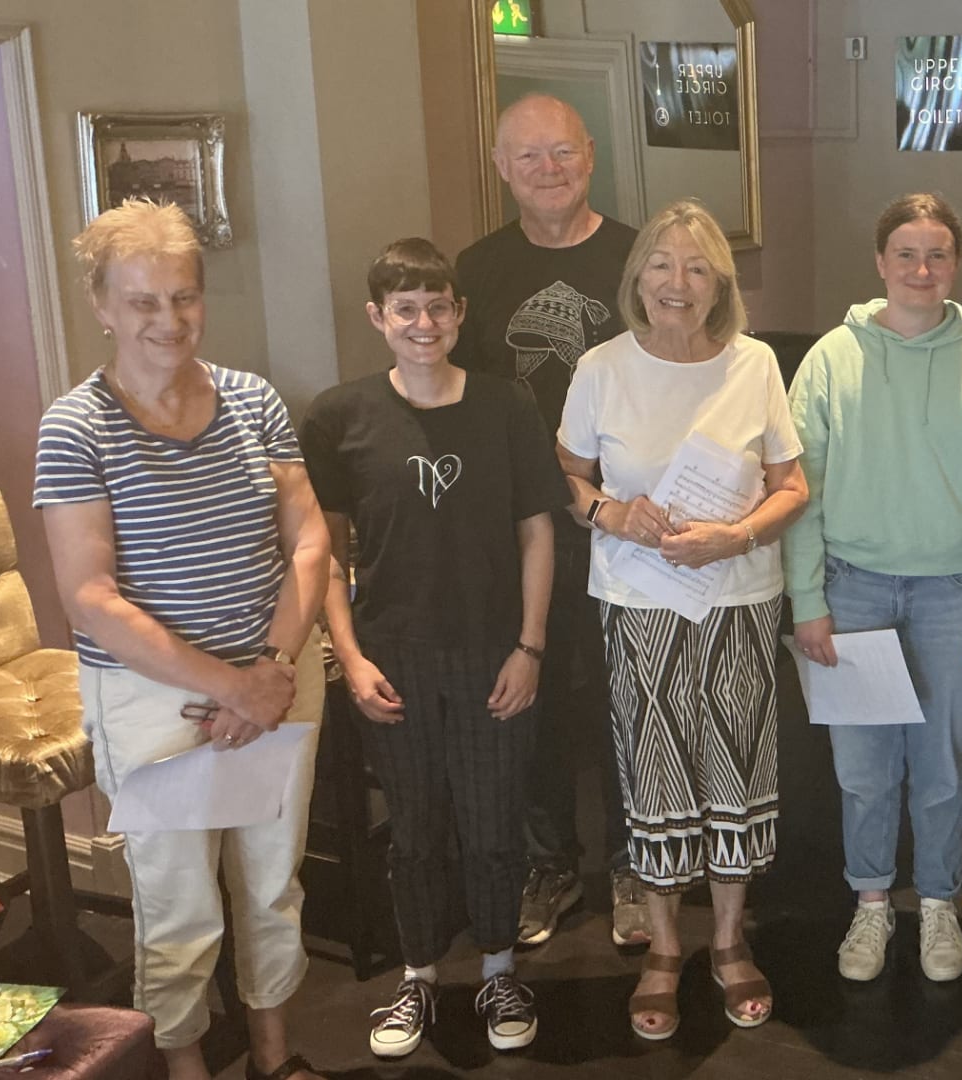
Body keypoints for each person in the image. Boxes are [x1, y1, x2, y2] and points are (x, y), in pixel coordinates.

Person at [35, 200, 330, 1080]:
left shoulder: (254, 400)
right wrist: (229, 686)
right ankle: (186, 1066)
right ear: (101, 303)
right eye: (143, 302)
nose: (169, 321)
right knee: (178, 905)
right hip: (158, 698)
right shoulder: (76, 427)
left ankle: (274, 1058)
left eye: (184, 297)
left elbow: (309, 540)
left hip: (275, 678)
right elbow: (90, 597)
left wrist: (270, 669)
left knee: (273, 887)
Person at [301, 239, 563, 1059]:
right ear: (379, 318)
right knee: (414, 829)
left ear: (459, 314)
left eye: (438, 307)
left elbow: (536, 533)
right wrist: (349, 656)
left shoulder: (505, 405)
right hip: (392, 658)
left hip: (492, 651)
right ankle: (417, 978)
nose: (424, 323)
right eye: (405, 309)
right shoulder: (338, 417)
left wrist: (530, 647)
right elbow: (326, 554)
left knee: (492, 825)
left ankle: (496, 968)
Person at [557, 200, 808, 1039]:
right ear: (637, 279)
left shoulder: (755, 366)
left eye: (698, 268)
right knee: (656, 772)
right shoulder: (600, 367)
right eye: (662, 265)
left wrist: (735, 534)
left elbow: (793, 487)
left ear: (719, 286)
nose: (678, 282)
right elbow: (570, 473)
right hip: (639, 605)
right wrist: (608, 515)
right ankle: (666, 947)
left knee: (737, 771)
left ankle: (730, 942)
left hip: (736, 599)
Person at [788, 193, 962, 985]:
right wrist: (809, 603)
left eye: (936, 255)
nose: (921, 269)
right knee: (862, 769)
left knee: (943, 768)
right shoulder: (831, 359)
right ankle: (870, 905)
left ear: (956, 266)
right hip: (852, 593)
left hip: (955, 596)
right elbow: (800, 490)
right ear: (880, 262)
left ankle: (935, 902)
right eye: (905, 253)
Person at [450, 92, 645, 948]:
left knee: (626, 698)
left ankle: (641, 863)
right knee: (535, 705)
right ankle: (552, 863)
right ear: (502, 169)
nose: (548, 170)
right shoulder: (476, 269)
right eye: (529, 157)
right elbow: (461, 401)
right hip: (523, 526)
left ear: (591, 156)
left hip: (630, 520)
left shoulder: (639, 257)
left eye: (562, 153)